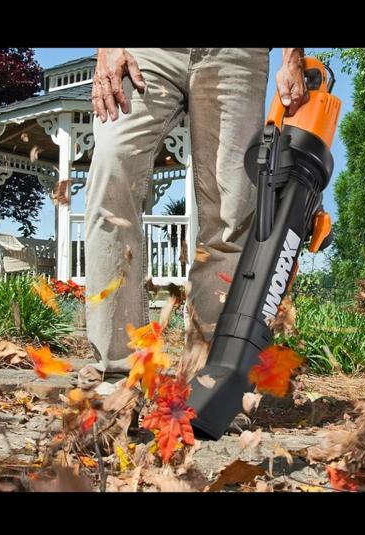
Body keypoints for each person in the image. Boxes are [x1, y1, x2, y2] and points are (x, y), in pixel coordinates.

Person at [81, 48, 310, 387]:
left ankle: (210, 381)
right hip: (148, 54)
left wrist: (293, 57)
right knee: (111, 170)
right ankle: (116, 373)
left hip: (236, 56)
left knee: (231, 214)